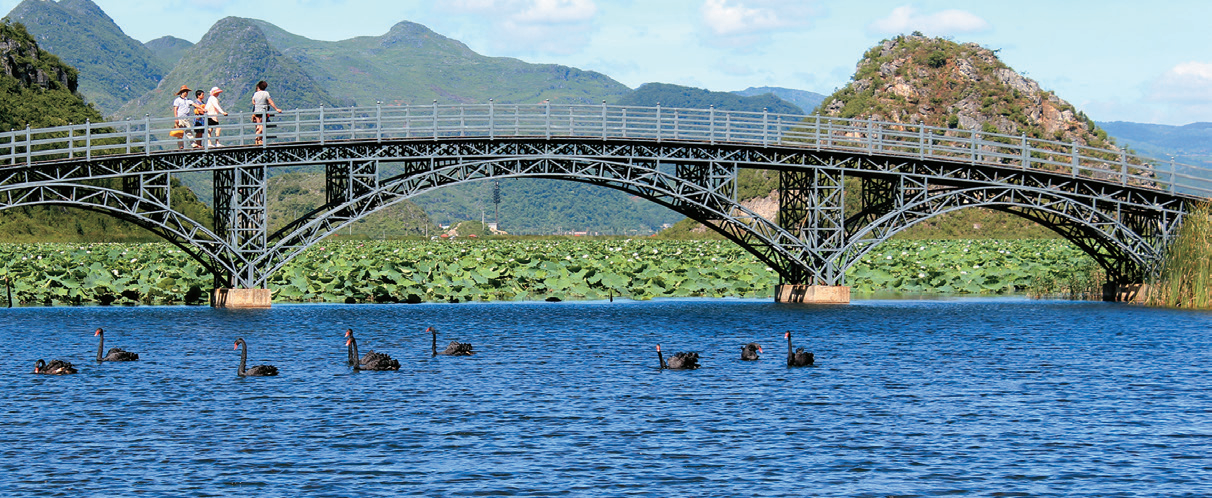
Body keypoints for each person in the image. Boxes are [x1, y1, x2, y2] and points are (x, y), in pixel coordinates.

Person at [251, 80, 281, 145]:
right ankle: (257, 137)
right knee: (262, 126)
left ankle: (258, 140)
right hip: (263, 112)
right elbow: (271, 102)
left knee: (258, 125)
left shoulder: (255, 94)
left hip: (256, 111)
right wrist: (276, 109)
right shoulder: (266, 93)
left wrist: (258, 104)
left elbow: (253, 102)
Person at [171, 85, 194, 150]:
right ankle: (181, 146)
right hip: (180, 118)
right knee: (180, 133)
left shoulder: (188, 100)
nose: (187, 93)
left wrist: (201, 108)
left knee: (189, 131)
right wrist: (176, 118)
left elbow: (194, 104)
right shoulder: (177, 100)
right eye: (186, 92)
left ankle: (194, 144)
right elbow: (175, 109)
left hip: (186, 118)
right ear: (182, 92)